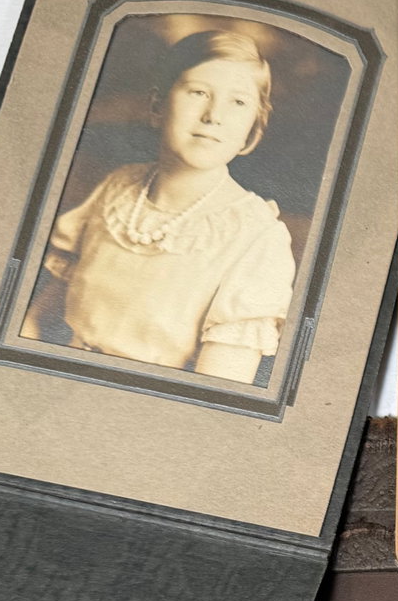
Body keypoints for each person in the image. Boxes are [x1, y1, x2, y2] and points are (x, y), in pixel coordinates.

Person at [21, 26, 297, 380]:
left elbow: (217, 392)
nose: (214, 115)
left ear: (253, 127)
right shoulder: (117, 188)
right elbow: (40, 318)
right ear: (156, 105)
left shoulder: (256, 237)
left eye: (238, 102)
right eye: (198, 92)